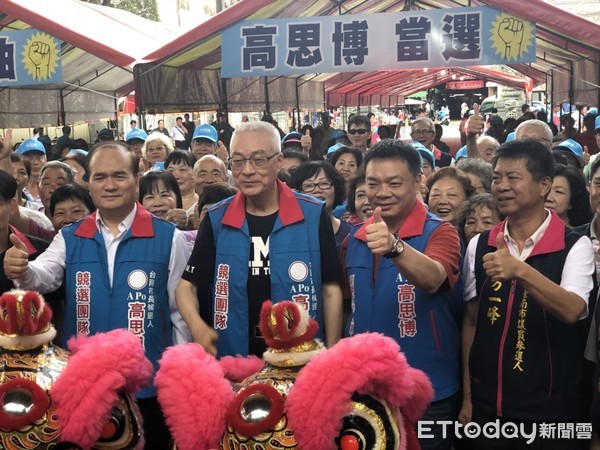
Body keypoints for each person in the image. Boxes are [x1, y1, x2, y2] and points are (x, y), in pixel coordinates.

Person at [4, 141, 191, 448]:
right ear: (88, 183)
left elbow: (180, 314)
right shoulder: (71, 236)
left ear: (136, 178)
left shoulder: (169, 238)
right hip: (83, 382)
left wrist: (178, 378)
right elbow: (43, 276)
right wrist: (22, 269)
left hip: (149, 385)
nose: (110, 185)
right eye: (100, 177)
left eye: (119, 176)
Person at [460, 139, 596, 449]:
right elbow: (470, 321)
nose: (501, 186)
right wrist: (468, 396)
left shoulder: (574, 246)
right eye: (496, 177)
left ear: (544, 185)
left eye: (513, 177)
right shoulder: (480, 244)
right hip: (486, 412)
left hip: (551, 414)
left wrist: (520, 270)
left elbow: (573, 309)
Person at [175, 121, 343, 358]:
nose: (247, 170)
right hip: (234, 355)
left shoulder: (313, 214)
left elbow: (330, 289)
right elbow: (185, 287)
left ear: (278, 161)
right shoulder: (217, 218)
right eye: (239, 161)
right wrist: (198, 327)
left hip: (301, 356)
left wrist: (332, 352)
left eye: (258, 160)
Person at [342, 139, 462, 450]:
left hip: (427, 390)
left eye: (394, 183)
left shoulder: (440, 232)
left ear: (419, 181)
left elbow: (434, 278)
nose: (382, 192)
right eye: (373, 183)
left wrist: (395, 247)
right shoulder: (354, 238)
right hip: (365, 387)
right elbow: (347, 304)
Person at [289, 160, 351, 255]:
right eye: (309, 185)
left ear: (336, 188)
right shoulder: (292, 234)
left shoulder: (350, 233)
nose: (317, 190)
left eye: (324, 184)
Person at [545, 163, 593, 228]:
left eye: (559, 192)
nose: (548, 198)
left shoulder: (577, 237)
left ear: (573, 200)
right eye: (546, 188)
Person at [165, 150, 198, 215]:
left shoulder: (201, 204)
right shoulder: (160, 205)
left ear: (195, 172)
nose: (176, 176)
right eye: (171, 170)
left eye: (182, 170)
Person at [17, 138, 47, 206]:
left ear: (46, 160)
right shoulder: (15, 188)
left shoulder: (51, 188)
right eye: (29, 158)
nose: (35, 162)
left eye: (39, 158)